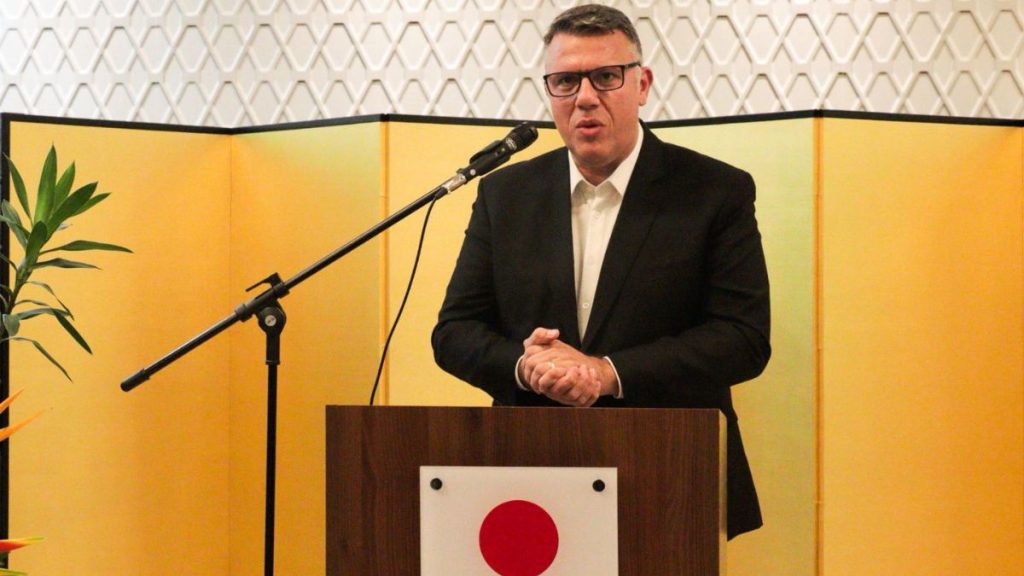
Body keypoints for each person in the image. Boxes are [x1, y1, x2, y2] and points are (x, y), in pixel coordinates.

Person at [431, 4, 770, 539]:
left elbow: (743, 339)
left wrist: (606, 373)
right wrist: (527, 368)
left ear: (642, 84)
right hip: (527, 474)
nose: (585, 97)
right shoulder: (505, 193)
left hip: (671, 474)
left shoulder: (715, 191)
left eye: (606, 77)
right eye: (566, 81)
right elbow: (455, 332)